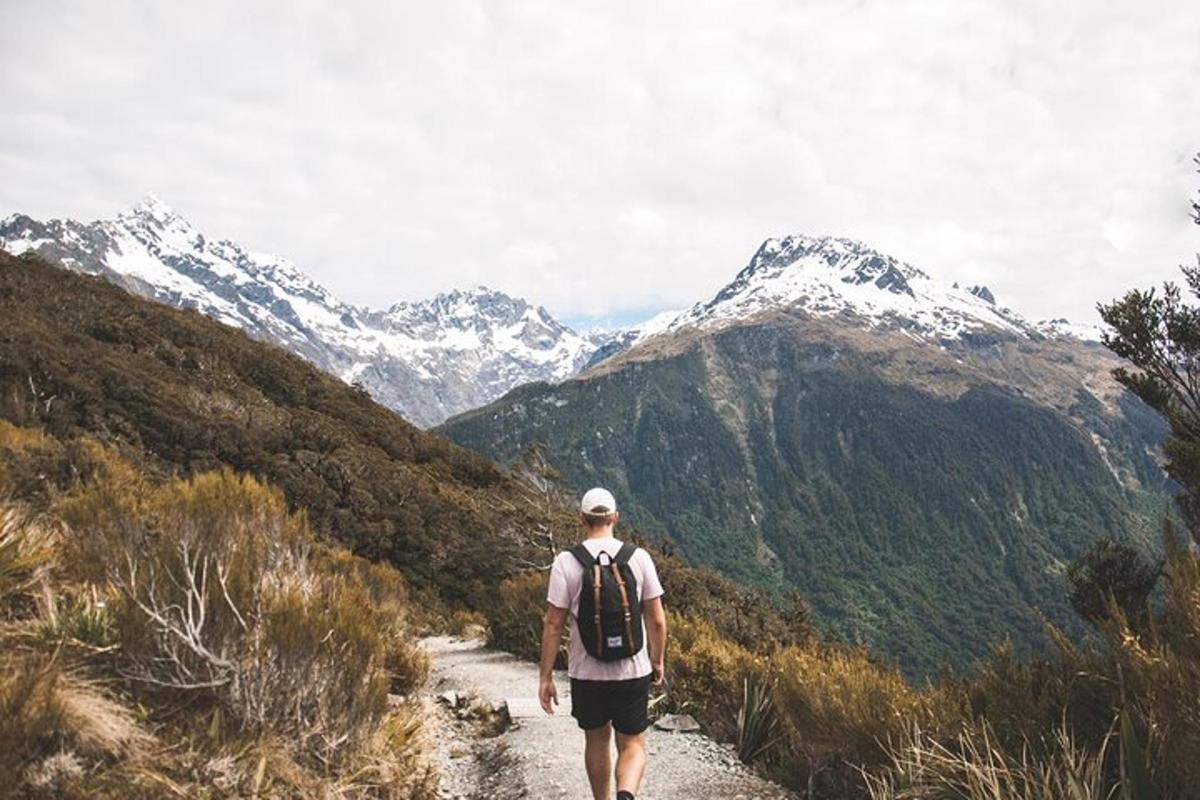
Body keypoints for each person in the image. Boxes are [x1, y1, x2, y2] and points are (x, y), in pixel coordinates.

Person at [538, 487, 668, 800]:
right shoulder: (638, 558)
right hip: (632, 669)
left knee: (596, 741)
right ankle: (626, 795)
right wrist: (657, 660)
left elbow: (553, 624)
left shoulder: (566, 562)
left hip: (587, 673)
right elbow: (657, 619)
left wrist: (545, 677)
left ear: (582, 518)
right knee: (633, 743)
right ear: (615, 518)